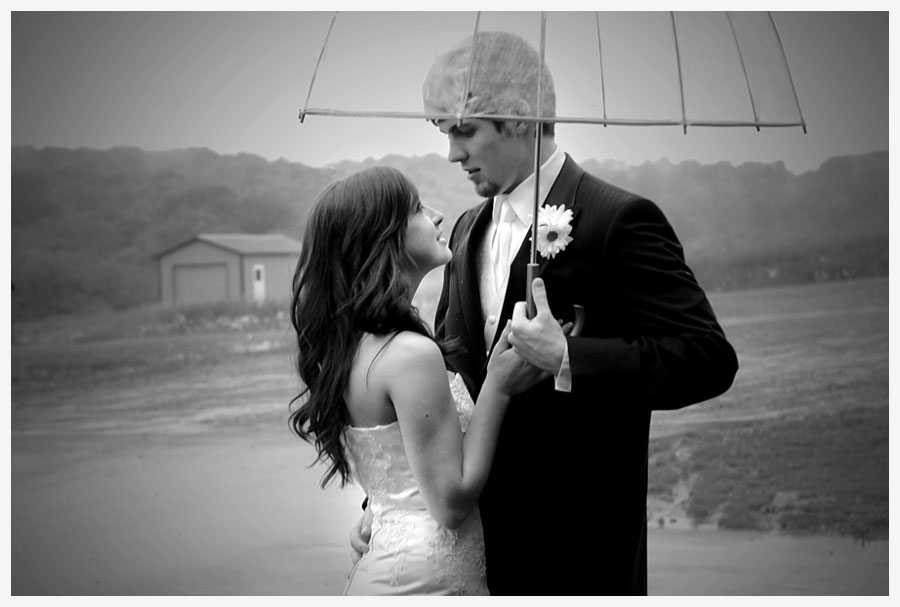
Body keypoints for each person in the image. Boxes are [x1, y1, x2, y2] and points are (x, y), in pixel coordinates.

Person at [351, 31, 739, 595]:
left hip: (581, 549)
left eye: (464, 130)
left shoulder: (620, 220)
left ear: (522, 120)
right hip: (474, 550)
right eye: (445, 133)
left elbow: (708, 358)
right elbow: (441, 392)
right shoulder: (464, 231)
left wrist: (569, 357)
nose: (453, 153)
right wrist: (387, 505)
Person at [289, 166, 548, 595]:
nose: (438, 214)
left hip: (396, 564)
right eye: (417, 208)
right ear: (381, 237)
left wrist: (377, 512)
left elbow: (398, 473)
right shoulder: (409, 354)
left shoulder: (352, 347)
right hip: (425, 581)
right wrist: (498, 387)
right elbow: (451, 502)